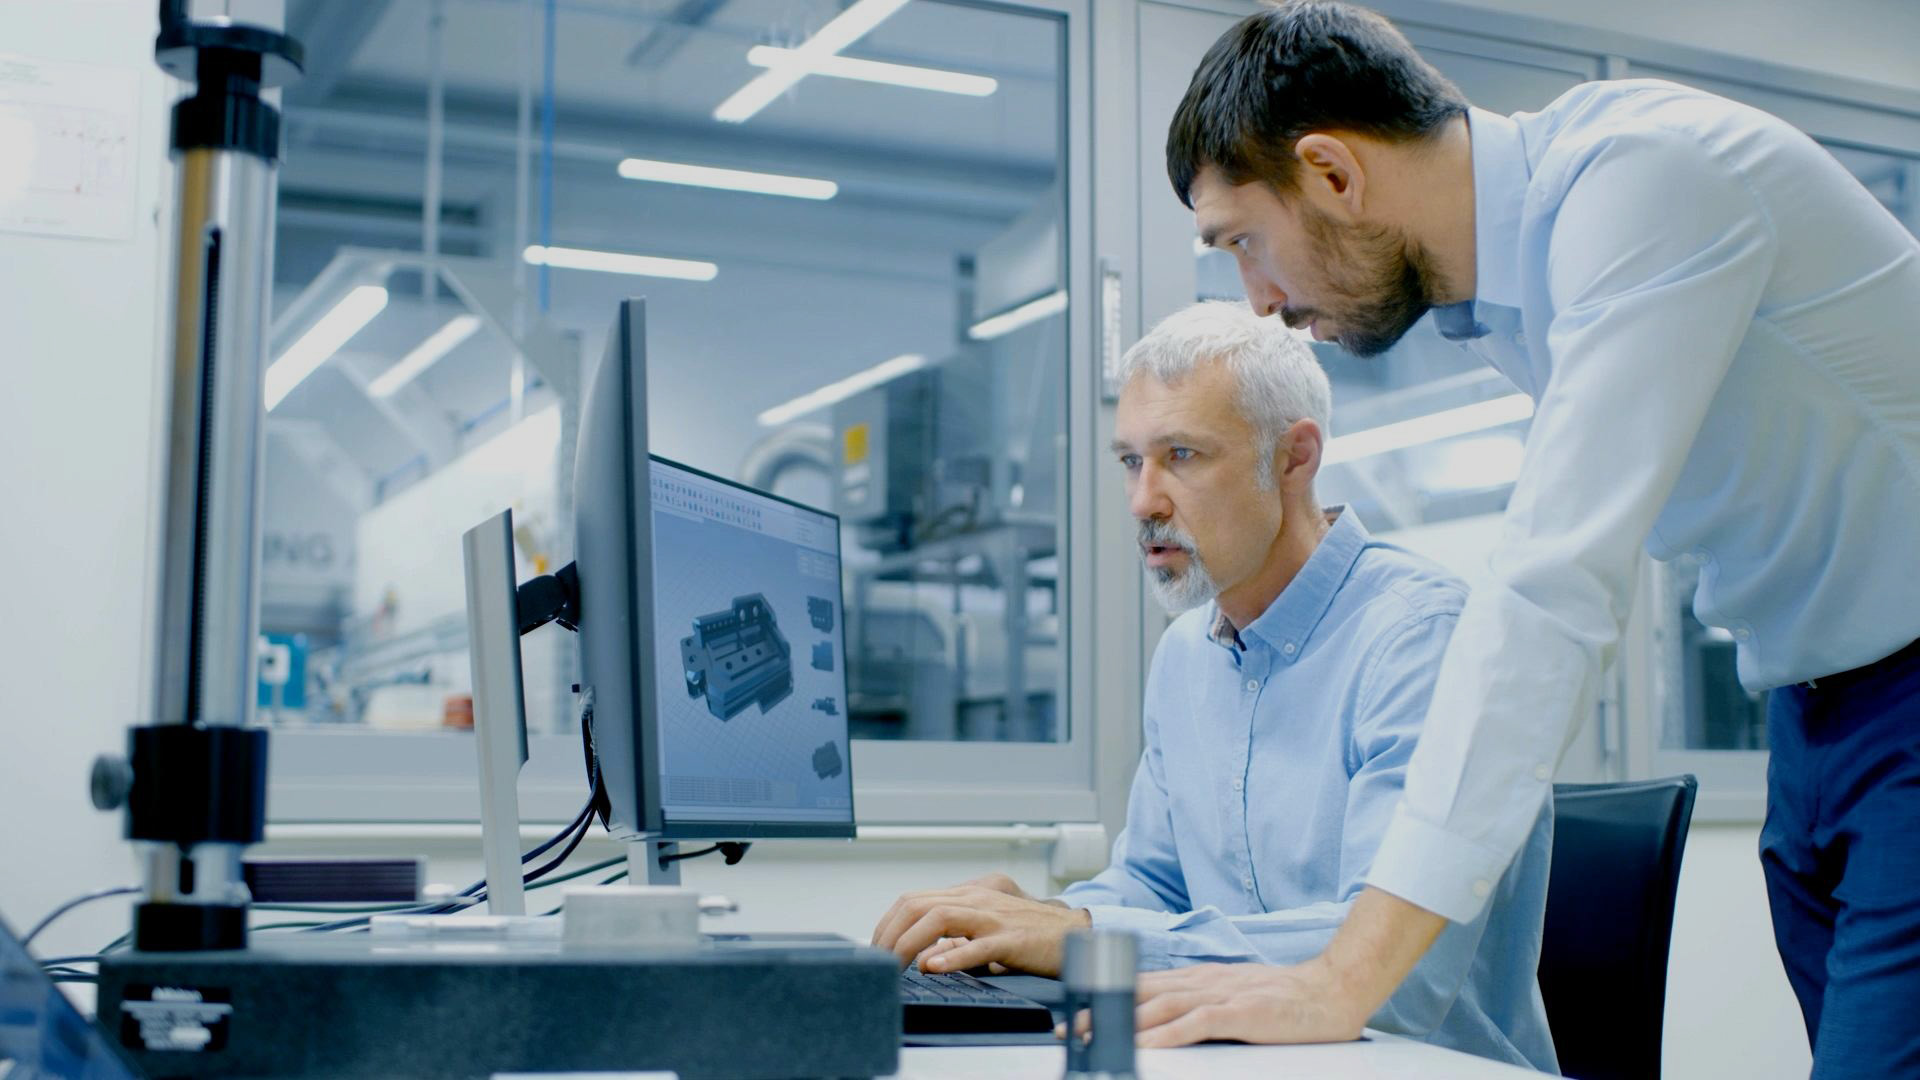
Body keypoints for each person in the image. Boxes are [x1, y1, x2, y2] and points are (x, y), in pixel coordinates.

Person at [1136, 3, 1920, 1073]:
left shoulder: (1645, 182)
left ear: (1331, 174)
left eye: (1244, 243)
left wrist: (1345, 976)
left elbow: (1552, 591)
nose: (1258, 300)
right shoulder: (1509, 296)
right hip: (1814, 707)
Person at [870, 301, 1557, 1071]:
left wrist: (1084, 939)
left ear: (1295, 458)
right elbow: (1153, 886)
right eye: (1131, 460)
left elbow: (1392, 972)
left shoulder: (1420, 640)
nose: (1143, 501)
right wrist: (1041, 919)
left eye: (1184, 456)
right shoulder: (1185, 658)